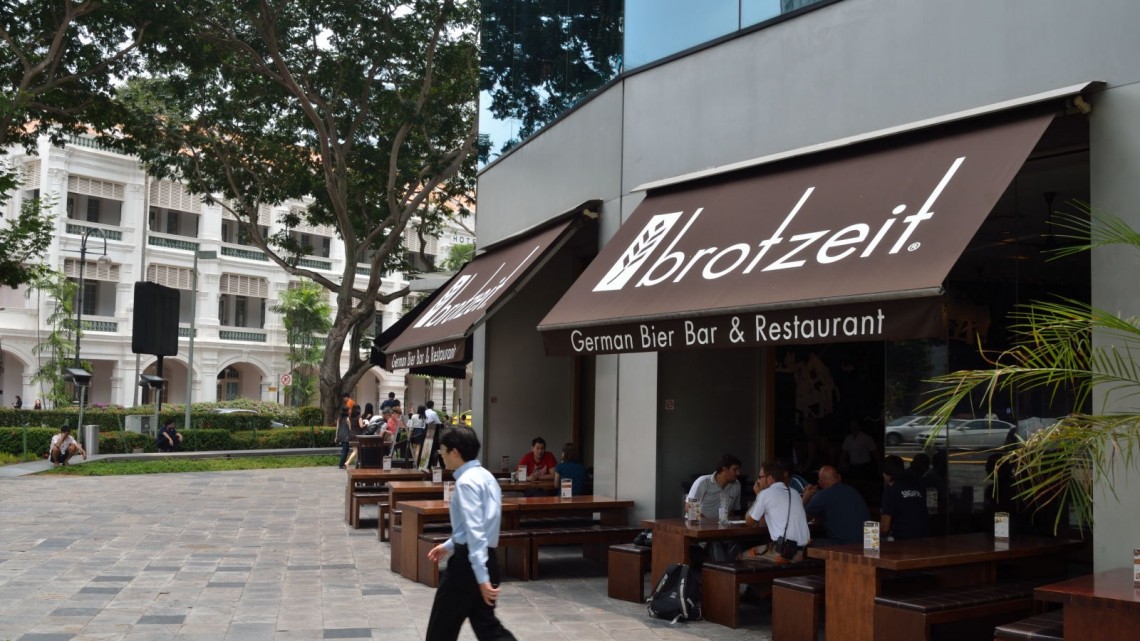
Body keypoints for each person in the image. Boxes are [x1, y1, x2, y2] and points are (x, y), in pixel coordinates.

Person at [424, 426, 518, 641]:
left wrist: (481, 578)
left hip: (468, 565)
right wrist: (449, 545)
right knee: (488, 628)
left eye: (443, 450)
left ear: (455, 452)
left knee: (441, 630)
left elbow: (475, 531)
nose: (442, 456)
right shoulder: (487, 477)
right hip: (486, 559)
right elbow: (477, 526)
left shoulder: (466, 483)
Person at [740, 460, 811, 563]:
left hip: (785, 553)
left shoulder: (765, 494)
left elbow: (749, 521)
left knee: (741, 557)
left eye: (760, 477)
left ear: (769, 479)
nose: (757, 481)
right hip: (803, 551)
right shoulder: (794, 492)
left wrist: (758, 496)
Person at [801, 465, 869, 546]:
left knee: (807, 543)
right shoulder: (853, 490)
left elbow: (801, 520)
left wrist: (805, 499)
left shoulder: (822, 496)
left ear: (820, 483)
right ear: (839, 477)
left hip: (845, 545)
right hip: (869, 544)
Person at [880, 455, 928, 541]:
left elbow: (885, 528)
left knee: (871, 538)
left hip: (902, 541)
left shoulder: (891, 491)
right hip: (922, 538)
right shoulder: (916, 486)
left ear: (885, 474)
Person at [686, 454, 742, 518]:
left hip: (722, 523)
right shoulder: (703, 482)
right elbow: (690, 508)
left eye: (738, 470)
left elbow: (733, 510)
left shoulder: (736, 485)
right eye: (735, 470)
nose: (738, 473)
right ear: (724, 469)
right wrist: (709, 522)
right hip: (697, 522)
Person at [336, 392, 356, 469]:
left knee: (344, 450)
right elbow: (350, 428)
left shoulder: (339, 418)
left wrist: (336, 436)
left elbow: (337, 427)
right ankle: (341, 464)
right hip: (346, 436)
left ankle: (342, 464)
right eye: (348, 410)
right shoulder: (347, 419)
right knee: (345, 450)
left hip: (340, 435)